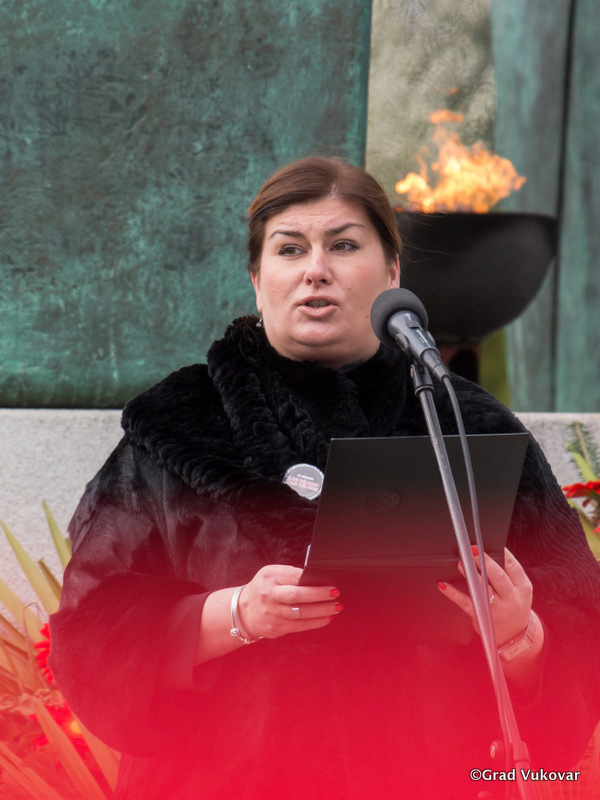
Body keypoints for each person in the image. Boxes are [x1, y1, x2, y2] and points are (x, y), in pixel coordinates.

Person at [49, 156, 600, 799]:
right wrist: (235, 613)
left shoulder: (468, 425)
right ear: (258, 280)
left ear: (392, 273)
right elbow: (91, 630)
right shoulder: (177, 426)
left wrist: (519, 636)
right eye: (290, 249)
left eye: (343, 245)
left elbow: (580, 623)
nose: (316, 269)